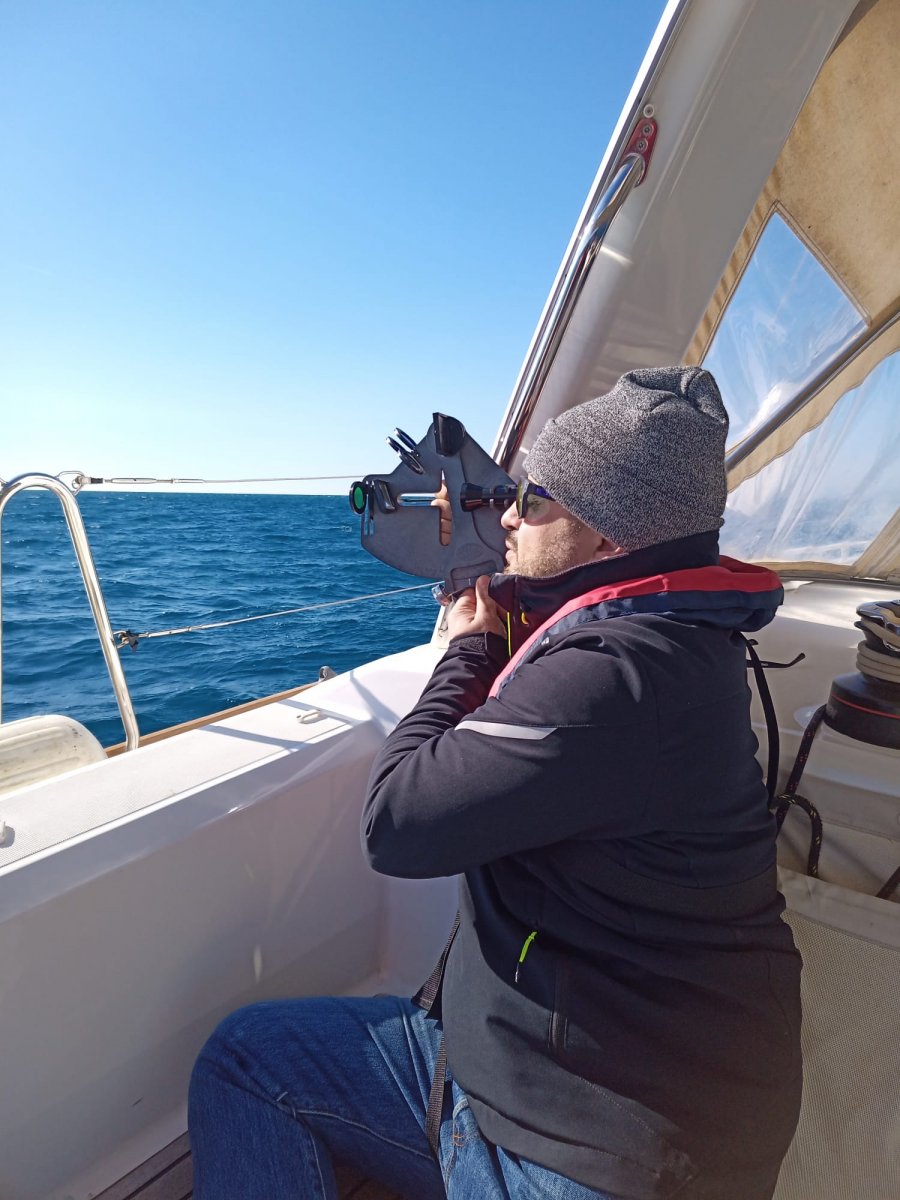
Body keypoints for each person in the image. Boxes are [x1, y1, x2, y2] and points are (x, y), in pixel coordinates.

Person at [188, 366, 802, 1200]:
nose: (508, 514)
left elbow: (398, 822)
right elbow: (564, 621)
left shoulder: (616, 681)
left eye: (534, 498)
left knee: (245, 1066)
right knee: (248, 1055)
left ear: (611, 534)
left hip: (594, 1147)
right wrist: (491, 582)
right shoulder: (679, 632)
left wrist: (466, 650)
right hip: (556, 1064)